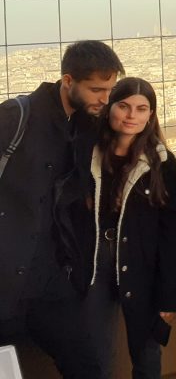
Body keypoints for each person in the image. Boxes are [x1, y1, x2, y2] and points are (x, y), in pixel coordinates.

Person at [0, 40, 124, 378]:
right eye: (96, 89)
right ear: (68, 81)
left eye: (109, 90)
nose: (105, 99)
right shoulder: (15, 116)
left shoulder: (86, 126)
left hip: (48, 280)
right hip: (4, 274)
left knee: (88, 365)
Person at [60, 77, 176, 379]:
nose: (132, 115)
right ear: (109, 108)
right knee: (91, 349)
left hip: (141, 260)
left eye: (141, 109)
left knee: (146, 351)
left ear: (151, 115)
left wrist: (169, 296)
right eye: (124, 106)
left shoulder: (162, 164)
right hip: (93, 260)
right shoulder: (84, 151)